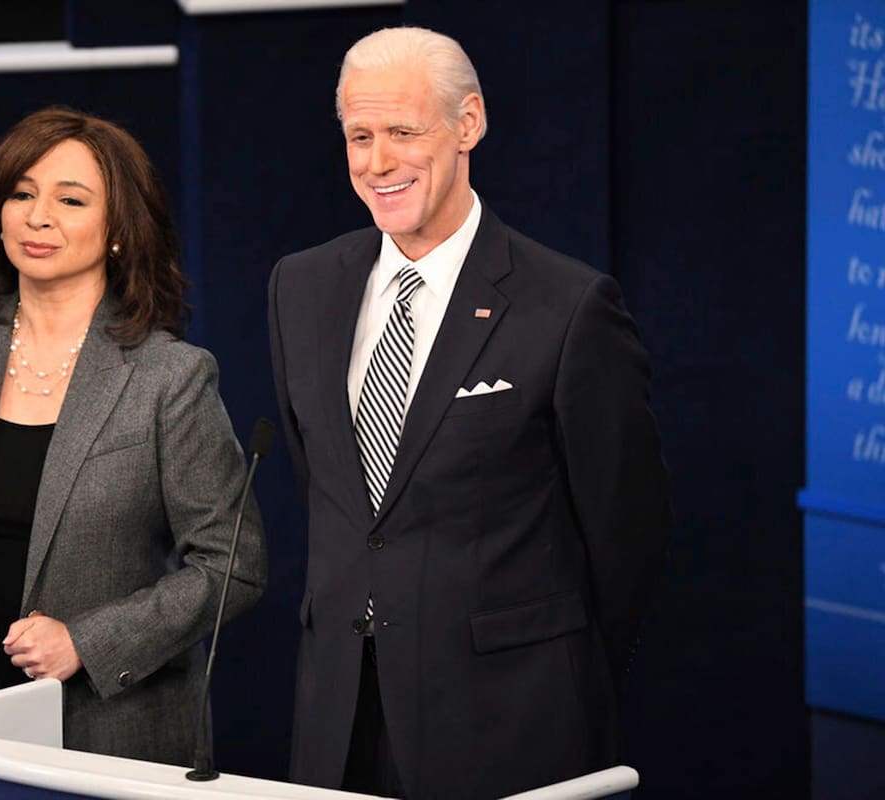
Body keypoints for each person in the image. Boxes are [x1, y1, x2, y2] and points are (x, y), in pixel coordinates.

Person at [267, 27, 672, 799]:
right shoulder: (300, 287)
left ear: (468, 125)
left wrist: (555, 669)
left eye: (402, 132)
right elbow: (338, 501)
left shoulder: (568, 304)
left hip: (511, 722)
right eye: (360, 136)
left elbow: (629, 532)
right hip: (339, 718)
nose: (377, 162)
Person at [0, 105, 266, 766]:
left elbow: (233, 564)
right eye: (22, 193)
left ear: (118, 229)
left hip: (112, 730)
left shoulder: (168, 376)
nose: (38, 217)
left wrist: (90, 643)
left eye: (70, 199)